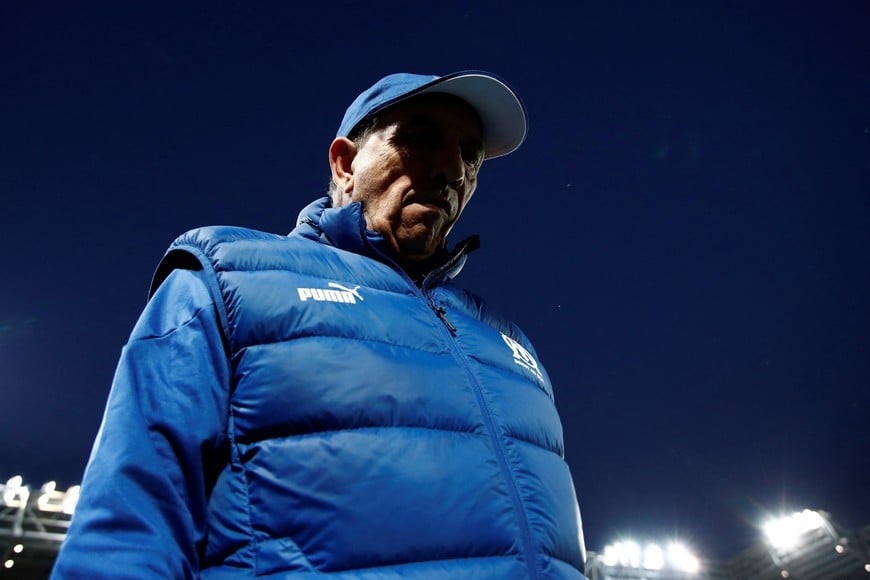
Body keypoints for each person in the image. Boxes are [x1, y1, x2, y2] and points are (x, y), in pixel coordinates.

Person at [52, 70, 587, 578]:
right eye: (421, 138)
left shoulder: (508, 343)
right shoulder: (228, 282)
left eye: (470, 154)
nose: (453, 169)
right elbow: (129, 529)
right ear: (344, 164)